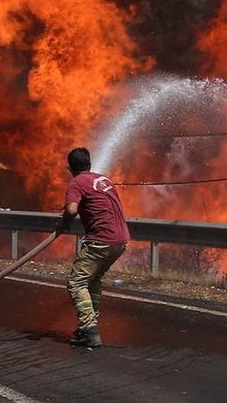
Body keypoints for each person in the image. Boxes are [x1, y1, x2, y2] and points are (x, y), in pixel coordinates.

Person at [55, 146, 131, 349]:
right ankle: (88, 326)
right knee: (93, 279)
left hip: (101, 241)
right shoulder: (104, 179)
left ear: (69, 168)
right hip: (121, 240)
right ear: (90, 164)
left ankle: (89, 330)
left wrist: (65, 221)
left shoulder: (76, 182)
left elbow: (71, 209)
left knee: (76, 282)